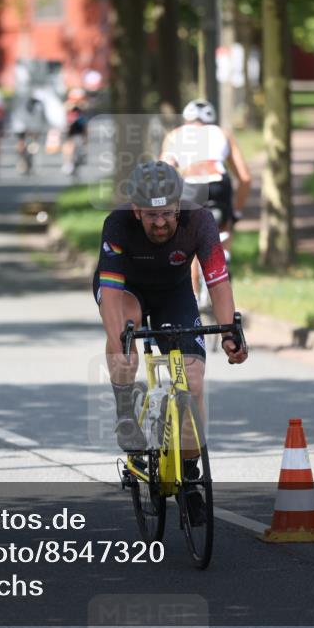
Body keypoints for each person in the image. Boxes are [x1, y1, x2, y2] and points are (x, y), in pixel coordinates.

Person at [94, 161, 248, 497]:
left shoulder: (199, 221)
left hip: (173, 293)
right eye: (152, 215)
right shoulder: (118, 224)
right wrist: (120, 343)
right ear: (136, 210)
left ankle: (190, 470)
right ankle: (125, 406)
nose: (161, 222)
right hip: (127, 290)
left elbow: (218, 282)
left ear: (179, 206)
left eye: (168, 214)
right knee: (125, 330)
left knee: (192, 381)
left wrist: (229, 335)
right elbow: (111, 295)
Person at [160, 99, 251, 299]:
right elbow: (244, 178)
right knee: (223, 227)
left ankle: (194, 296)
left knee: (190, 239)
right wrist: (236, 212)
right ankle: (224, 259)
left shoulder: (174, 135)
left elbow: (163, 173)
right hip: (219, 183)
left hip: (191, 185)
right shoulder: (222, 133)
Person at [61, 88, 88, 175]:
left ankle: (82, 153)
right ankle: (68, 163)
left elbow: (85, 110)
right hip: (70, 127)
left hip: (79, 127)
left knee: (82, 140)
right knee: (69, 144)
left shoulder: (82, 106)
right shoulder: (68, 105)